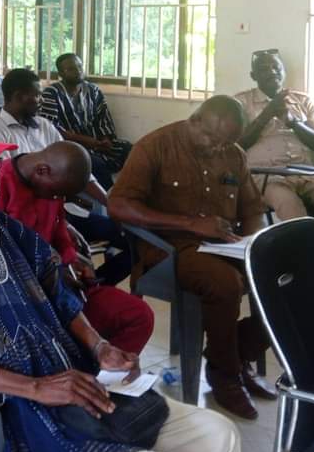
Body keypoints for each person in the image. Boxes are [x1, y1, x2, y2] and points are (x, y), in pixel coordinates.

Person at [0, 121, 242, 452]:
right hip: (6, 403)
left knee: (220, 435)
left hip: (69, 377)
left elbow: (59, 292)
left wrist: (99, 346)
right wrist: (35, 387)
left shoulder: (4, 228)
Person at [109, 96, 272, 420]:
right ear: (195, 120)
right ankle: (225, 376)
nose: (217, 148)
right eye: (211, 138)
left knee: (284, 276)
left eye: (225, 142)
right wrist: (189, 223)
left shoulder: (233, 154)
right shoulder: (155, 146)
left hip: (224, 245)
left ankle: (238, 353)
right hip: (168, 249)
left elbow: (252, 209)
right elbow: (118, 205)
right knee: (225, 283)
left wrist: (250, 241)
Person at [0, 141, 154, 353]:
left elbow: (59, 231)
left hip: (62, 291)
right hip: (25, 299)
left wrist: (73, 262)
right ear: (42, 171)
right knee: (62, 339)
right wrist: (53, 273)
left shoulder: (50, 186)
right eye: (56, 194)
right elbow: (0, 260)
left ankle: (104, 370)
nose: (57, 199)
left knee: (139, 315)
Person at [0, 67, 129, 284]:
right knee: (67, 251)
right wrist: (63, 226)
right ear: (18, 97)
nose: (40, 100)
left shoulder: (44, 125)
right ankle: (76, 287)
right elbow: (8, 186)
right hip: (31, 221)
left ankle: (95, 284)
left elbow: (75, 170)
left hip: (64, 211)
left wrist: (110, 204)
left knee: (131, 239)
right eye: (36, 95)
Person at [235, 48, 314, 220]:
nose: (272, 72)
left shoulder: (303, 100)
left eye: (276, 67)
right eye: (264, 69)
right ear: (253, 76)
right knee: (290, 206)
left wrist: (294, 122)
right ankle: (302, 239)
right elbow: (236, 145)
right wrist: (267, 114)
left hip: (307, 174)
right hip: (265, 175)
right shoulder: (240, 102)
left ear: (284, 71)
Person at [42, 53, 133, 187]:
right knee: (96, 163)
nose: (78, 71)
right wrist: (89, 141)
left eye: (80, 66)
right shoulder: (52, 93)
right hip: (70, 146)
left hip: (96, 142)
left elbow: (103, 118)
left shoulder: (92, 90)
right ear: (61, 73)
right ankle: (109, 196)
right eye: (71, 69)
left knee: (130, 150)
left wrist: (105, 139)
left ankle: (130, 189)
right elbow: (52, 128)